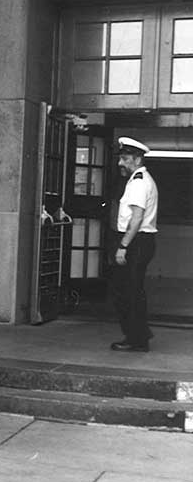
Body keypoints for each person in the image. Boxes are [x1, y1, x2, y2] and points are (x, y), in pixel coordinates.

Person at [109, 136, 158, 353]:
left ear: (137, 160)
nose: (121, 163)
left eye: (125, 159)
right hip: (140, 242)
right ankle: (139, 335)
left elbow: (136, 218)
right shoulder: (138, 179)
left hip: (136, 242)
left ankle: (136, 339)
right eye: (120, 158)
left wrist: (123, 246)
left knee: (129, 291)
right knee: (130, 290)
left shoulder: (139, 183)